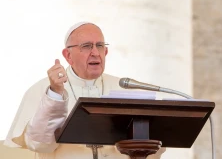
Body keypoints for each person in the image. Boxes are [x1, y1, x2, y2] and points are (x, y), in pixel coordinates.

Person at [4, 22, 165, 159]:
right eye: (86, 46)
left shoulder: (125, 88)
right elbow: (40, 144)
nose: (95, 53)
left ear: (106, 52)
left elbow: (154, 148)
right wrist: (55, 94)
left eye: (100, 46)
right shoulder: (43, 89)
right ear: (68, 55)